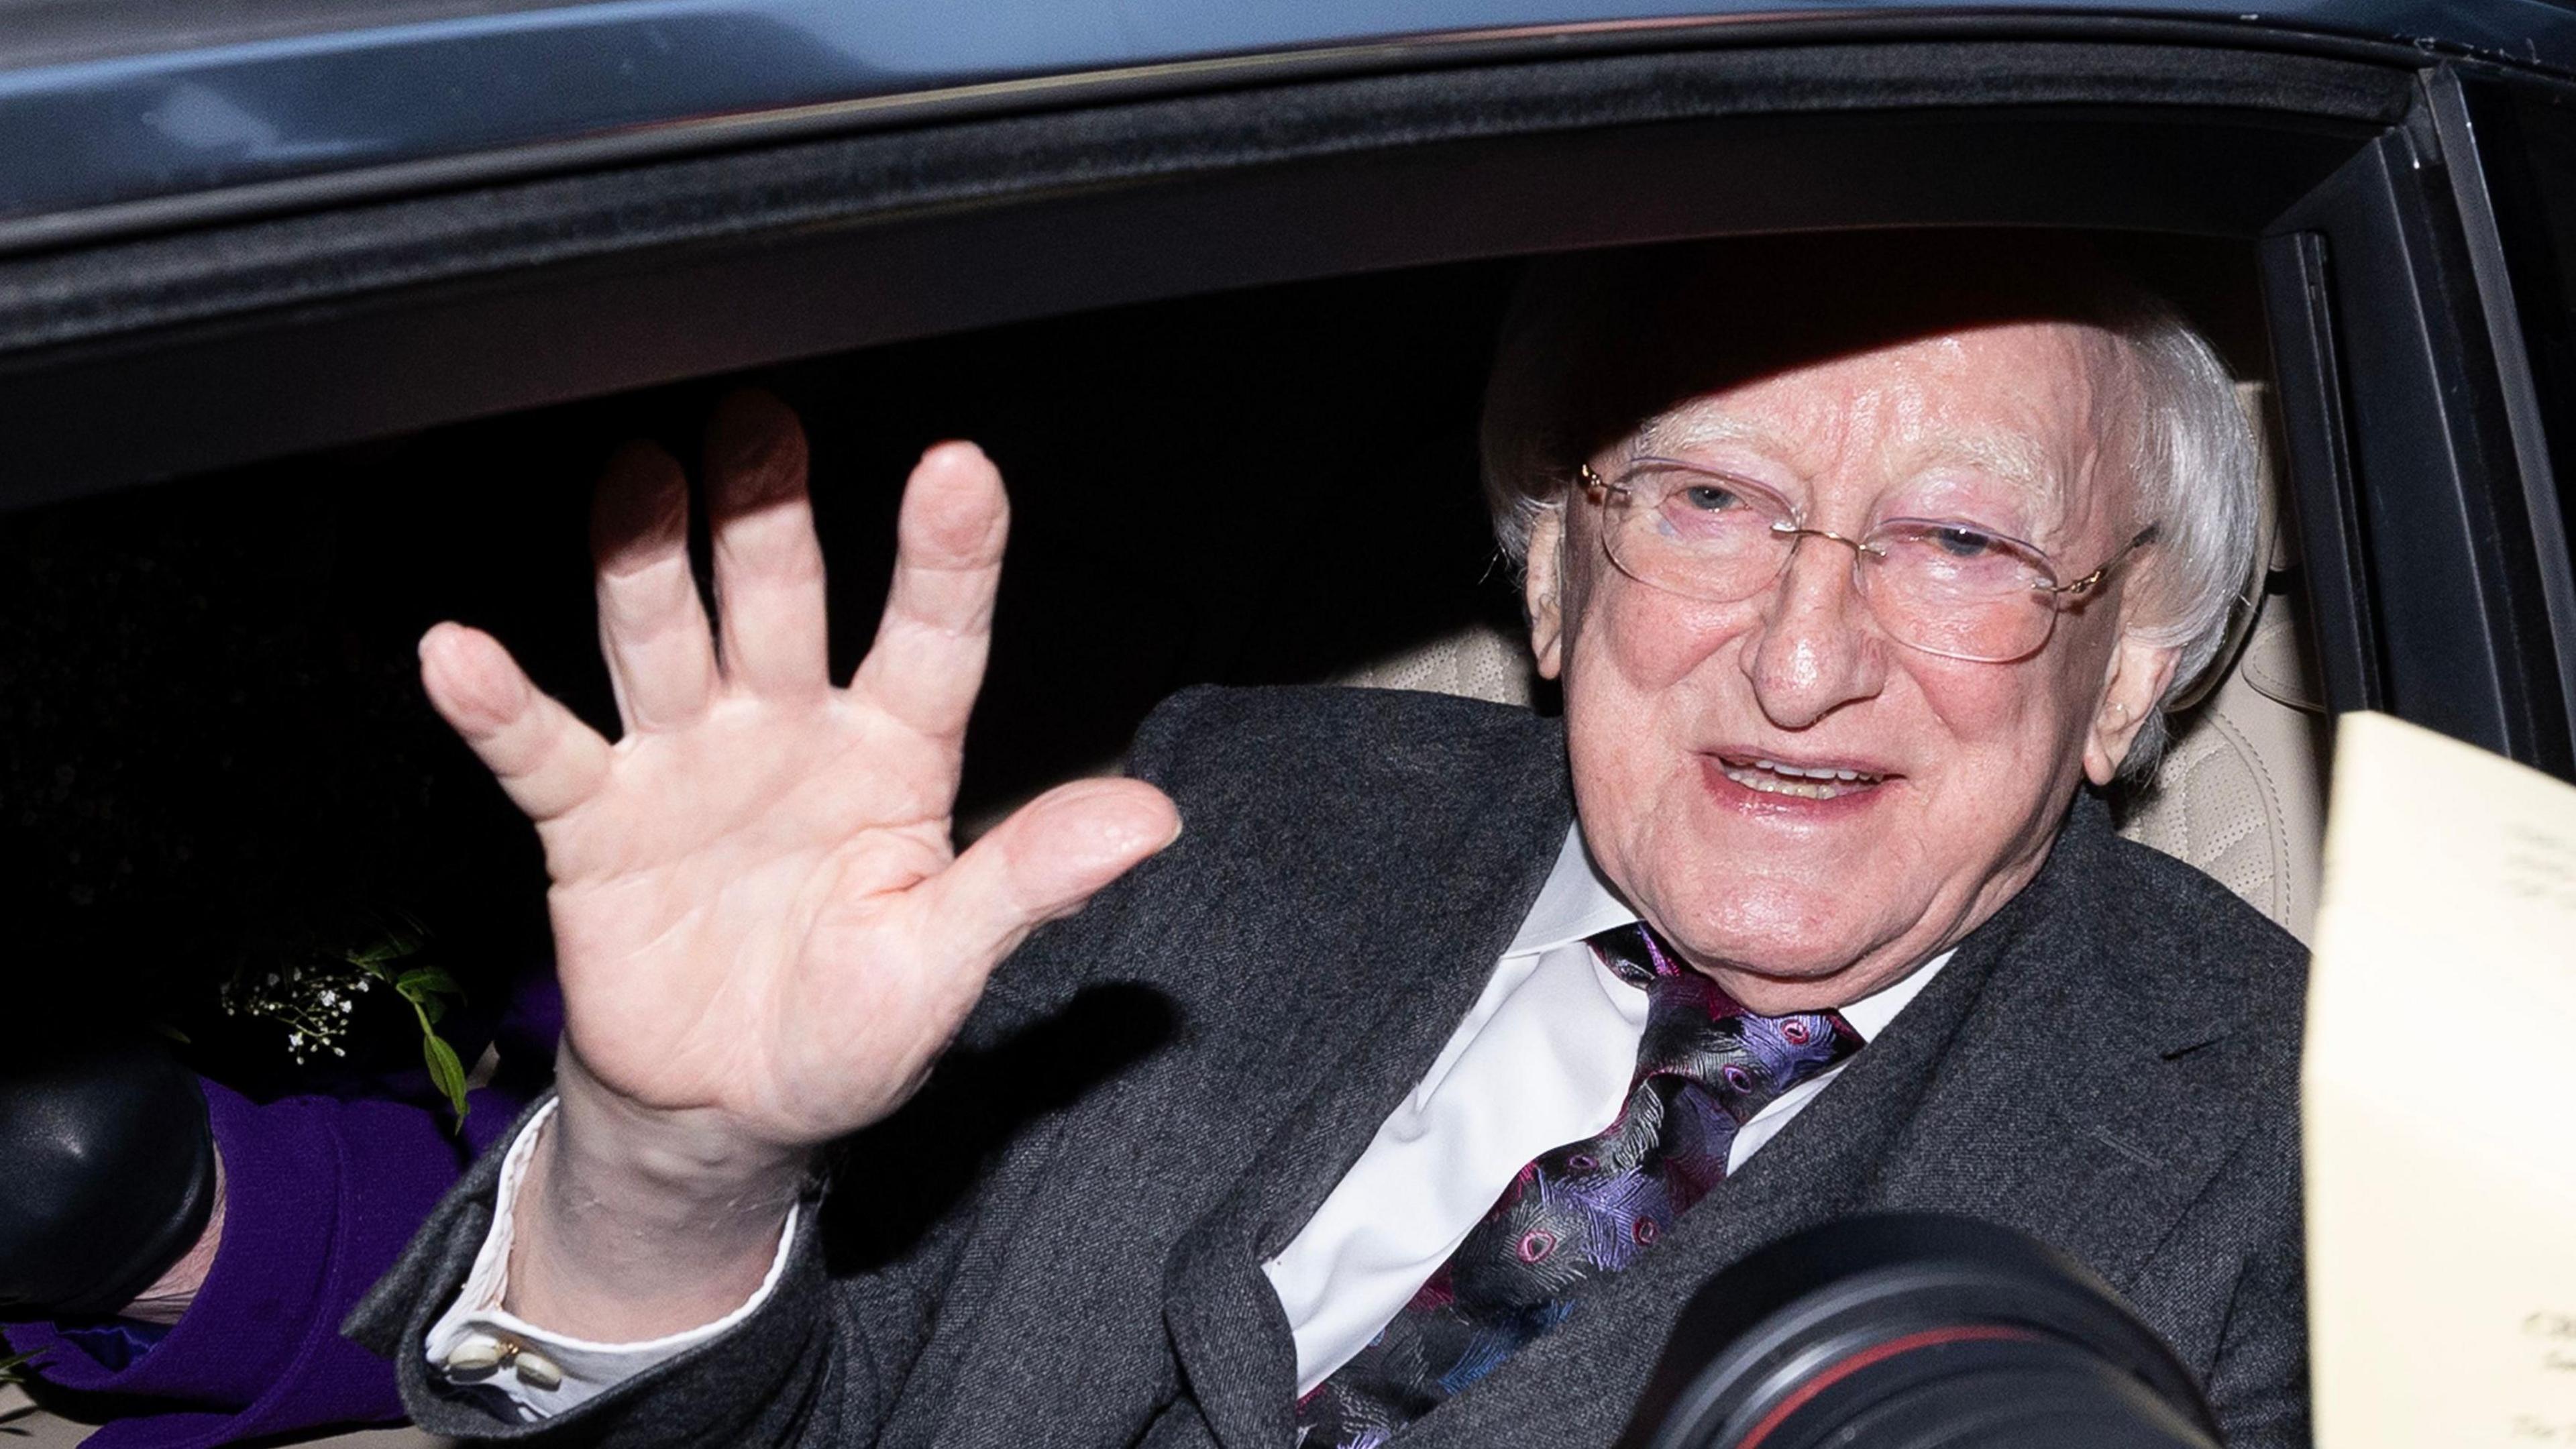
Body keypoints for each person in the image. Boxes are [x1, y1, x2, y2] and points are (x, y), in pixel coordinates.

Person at [35, 232, 2314, 1448]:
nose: (1803, 659)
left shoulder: (2320, 1133)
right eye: (1706, 502)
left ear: (2130, 669)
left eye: (1955, 544)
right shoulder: (1224, 813)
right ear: (1552, 575)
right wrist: (666, 1166)